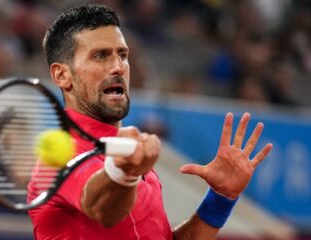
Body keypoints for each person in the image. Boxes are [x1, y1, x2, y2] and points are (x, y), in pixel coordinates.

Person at [28, 4, 273, 240]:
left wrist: (220, 199)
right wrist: (124, 172)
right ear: (62, 75)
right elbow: (104, 210)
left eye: (122, 55)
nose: (118, 67)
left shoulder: (134, 161)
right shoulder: (54, 160)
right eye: (100, 56)